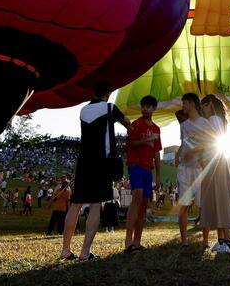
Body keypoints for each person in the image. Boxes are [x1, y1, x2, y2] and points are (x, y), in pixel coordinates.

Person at [60, 80, 132, 261]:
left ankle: (65, 250)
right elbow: (127, 123)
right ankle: (85, 252)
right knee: (95, 206)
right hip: (102, 161)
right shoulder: (110, 108)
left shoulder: (83, 110)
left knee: (76, 205)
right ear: (108, 93)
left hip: (84, 161)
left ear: (93, 92)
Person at [196, 94, 230, 253]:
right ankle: (222, 241)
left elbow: (207, 140)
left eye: (204, 106)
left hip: (215, 164)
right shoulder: (216, 120)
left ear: (211, 105)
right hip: (212, 163)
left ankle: (228, 243)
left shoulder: (214, 120)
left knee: (221, 201)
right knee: (216, 201)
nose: (202, 109)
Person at [124, 95, 162, 253]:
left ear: (154, 108)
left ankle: (137, 242)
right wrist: (145, 141)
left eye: (148, 106)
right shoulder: (136, 124)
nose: (144, 108)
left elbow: (157, 153)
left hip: (148, 170)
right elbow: (129, 143)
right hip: (135, 166)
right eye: (143, 106)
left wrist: (158, 176)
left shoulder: (156, 129)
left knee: (144, 205)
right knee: (137, 197)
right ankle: (128, 242)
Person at [175, 94, 209, 247]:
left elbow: (210, 143)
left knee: (203, 205)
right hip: (184, 168)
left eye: (185, 103)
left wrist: (193, 151)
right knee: (183, 204)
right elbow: (183, 143)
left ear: (192, 104)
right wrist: (178, 154)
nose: (183, 106)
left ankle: (205, 241)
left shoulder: (205, 123)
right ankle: (184, 241)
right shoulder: (184, 125)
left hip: (199, 169)